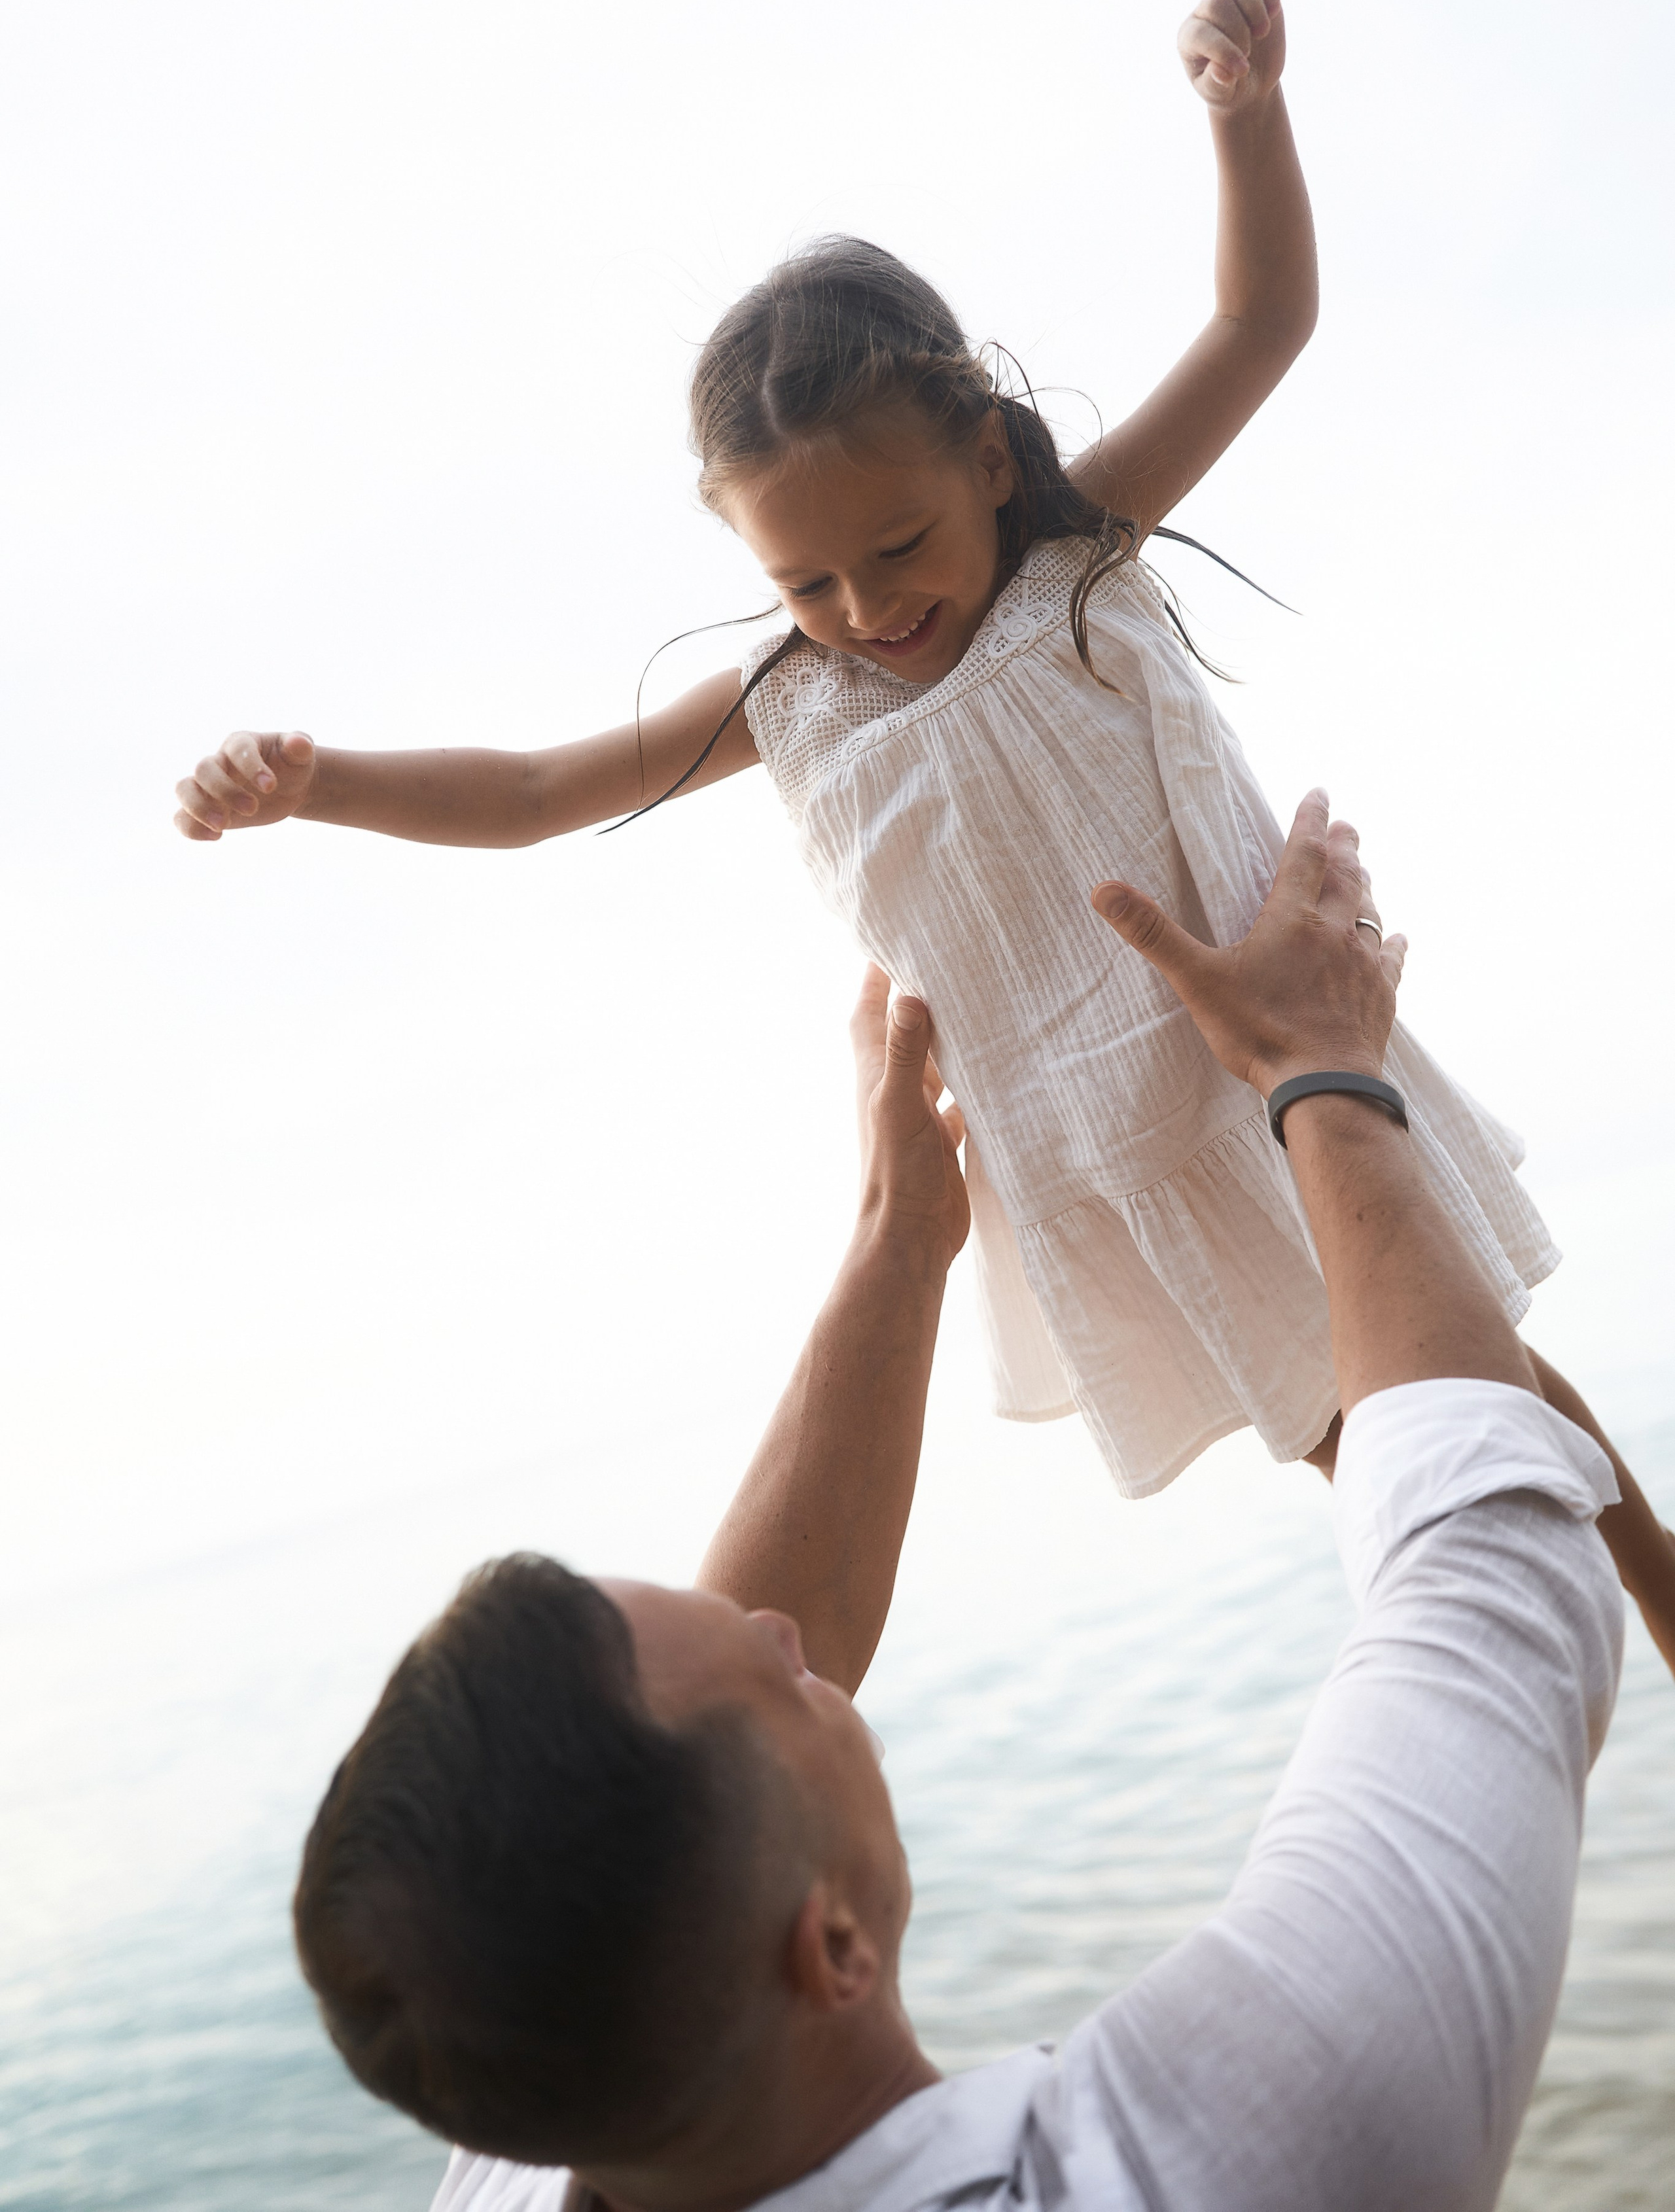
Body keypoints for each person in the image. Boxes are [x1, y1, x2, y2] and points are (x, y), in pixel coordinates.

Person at [173, 0, 1675, 1646]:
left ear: (981, 450)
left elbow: (1261, 324)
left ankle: (1664, 1601)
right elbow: (535, 792)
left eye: (894, 549)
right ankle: (1509, 1669)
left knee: (1480, 1371)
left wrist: (1242, 121)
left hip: (1276, 1043)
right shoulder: (790, 707)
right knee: (1367, 1444)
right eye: (804, 579)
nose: (864, 608)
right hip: (1105, 1137)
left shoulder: (1070, 556)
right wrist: (318, 789)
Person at [298, 794, 1643, 2209]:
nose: (784, 1636)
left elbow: (706, 1728)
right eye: (782, 1682)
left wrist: (900, 1243)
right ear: (829, 1950)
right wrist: (1317, 1071)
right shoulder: (1206, 2166)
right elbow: (1490, 1572)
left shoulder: (532, 2076)